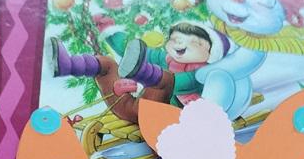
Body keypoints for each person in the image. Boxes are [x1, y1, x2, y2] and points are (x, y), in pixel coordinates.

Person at [47, 22, 227, 124]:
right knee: (107, 64)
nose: (181, 44)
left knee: (167, 80)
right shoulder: (165, 58)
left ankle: (140, 72)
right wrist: (109, 30)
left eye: (195, 43)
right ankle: (67, 65)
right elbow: (132, 49)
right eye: (176, 39)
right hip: (133, 108)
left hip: (169, 117)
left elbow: (180, 84)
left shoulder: (203, 73)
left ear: (210, 53)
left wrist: (140, 76)